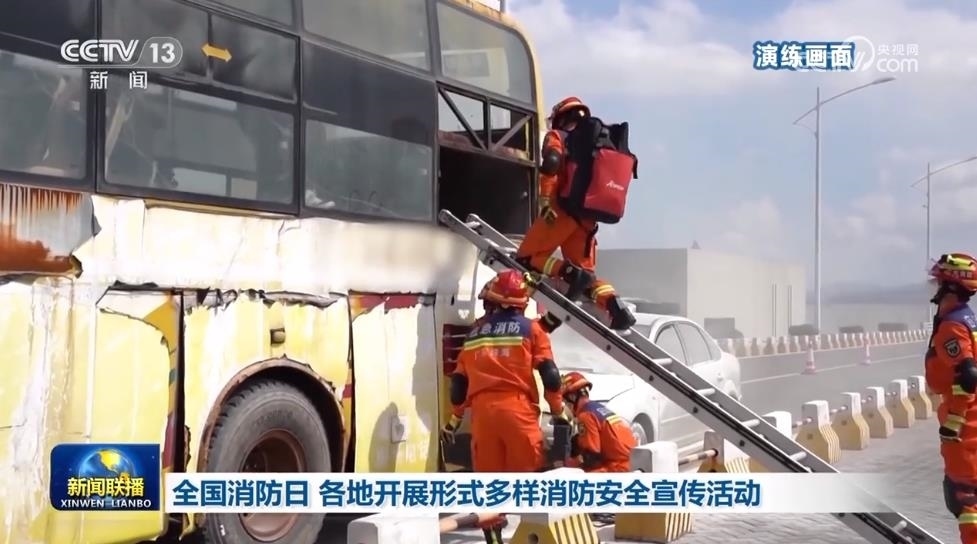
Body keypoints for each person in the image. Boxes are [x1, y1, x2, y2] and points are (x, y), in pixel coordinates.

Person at [515, 96, 636, 331]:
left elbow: (551, 162)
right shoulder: (597, 146)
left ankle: (569, 272)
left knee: (526, 259)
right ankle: (616, 308)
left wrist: (545, 200)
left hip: (560, 212)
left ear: (560, 118)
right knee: (589, 279)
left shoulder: (558, 136)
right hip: (587, 220)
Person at [440, 269, 570, 473]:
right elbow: (550, 375)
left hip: (482, 416)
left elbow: (458, 385)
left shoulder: (473, 334)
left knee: (490, 484)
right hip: (518, 411)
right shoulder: (532, 329)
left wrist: (455, 420)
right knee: (524, 482)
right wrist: (558, 412)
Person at [925, 253, 977, 544]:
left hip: (967, 426)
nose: (935, 287)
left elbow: (967, 376)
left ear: (952, 287)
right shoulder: (968, 319)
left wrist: (954, 421)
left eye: (940, 281)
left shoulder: (952, 326)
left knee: (964, 496)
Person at [560, 371, 637, 472]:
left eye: (565, 402)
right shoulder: (597, 408)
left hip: (619, 467)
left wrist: (571, 464)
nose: (566, 406)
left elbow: (592, 458)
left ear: (572, 397)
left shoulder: (585, 415)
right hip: (632, 461)